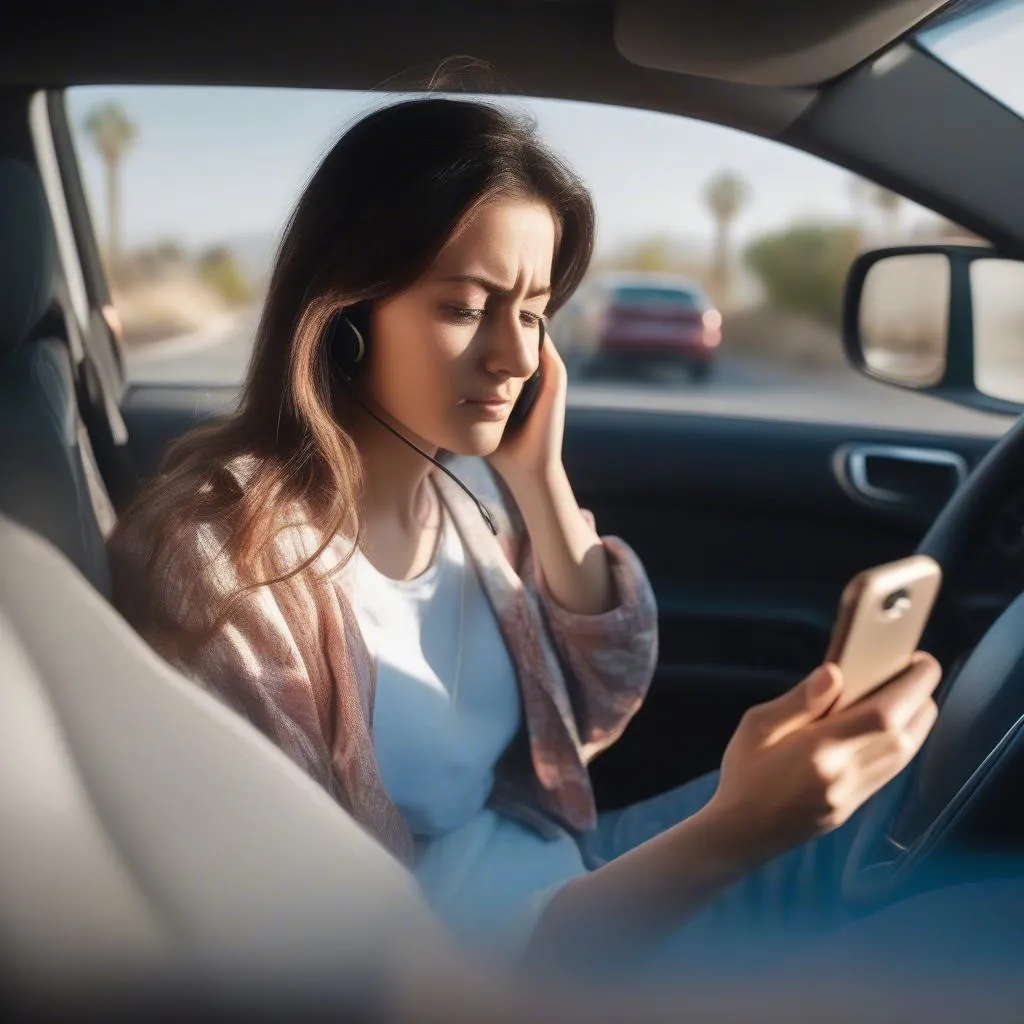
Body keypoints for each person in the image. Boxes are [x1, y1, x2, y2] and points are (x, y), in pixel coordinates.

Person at [107, 96, 941, 974]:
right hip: (496, 970)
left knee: (899, 811)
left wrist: (540, 480)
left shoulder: (464, 496)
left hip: (572, 867)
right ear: (345, 309)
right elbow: (329, 959)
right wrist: (731, 834)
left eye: (535, 312)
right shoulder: (224, 568)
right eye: (468, 307)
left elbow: (598, 701)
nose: (515, 355)